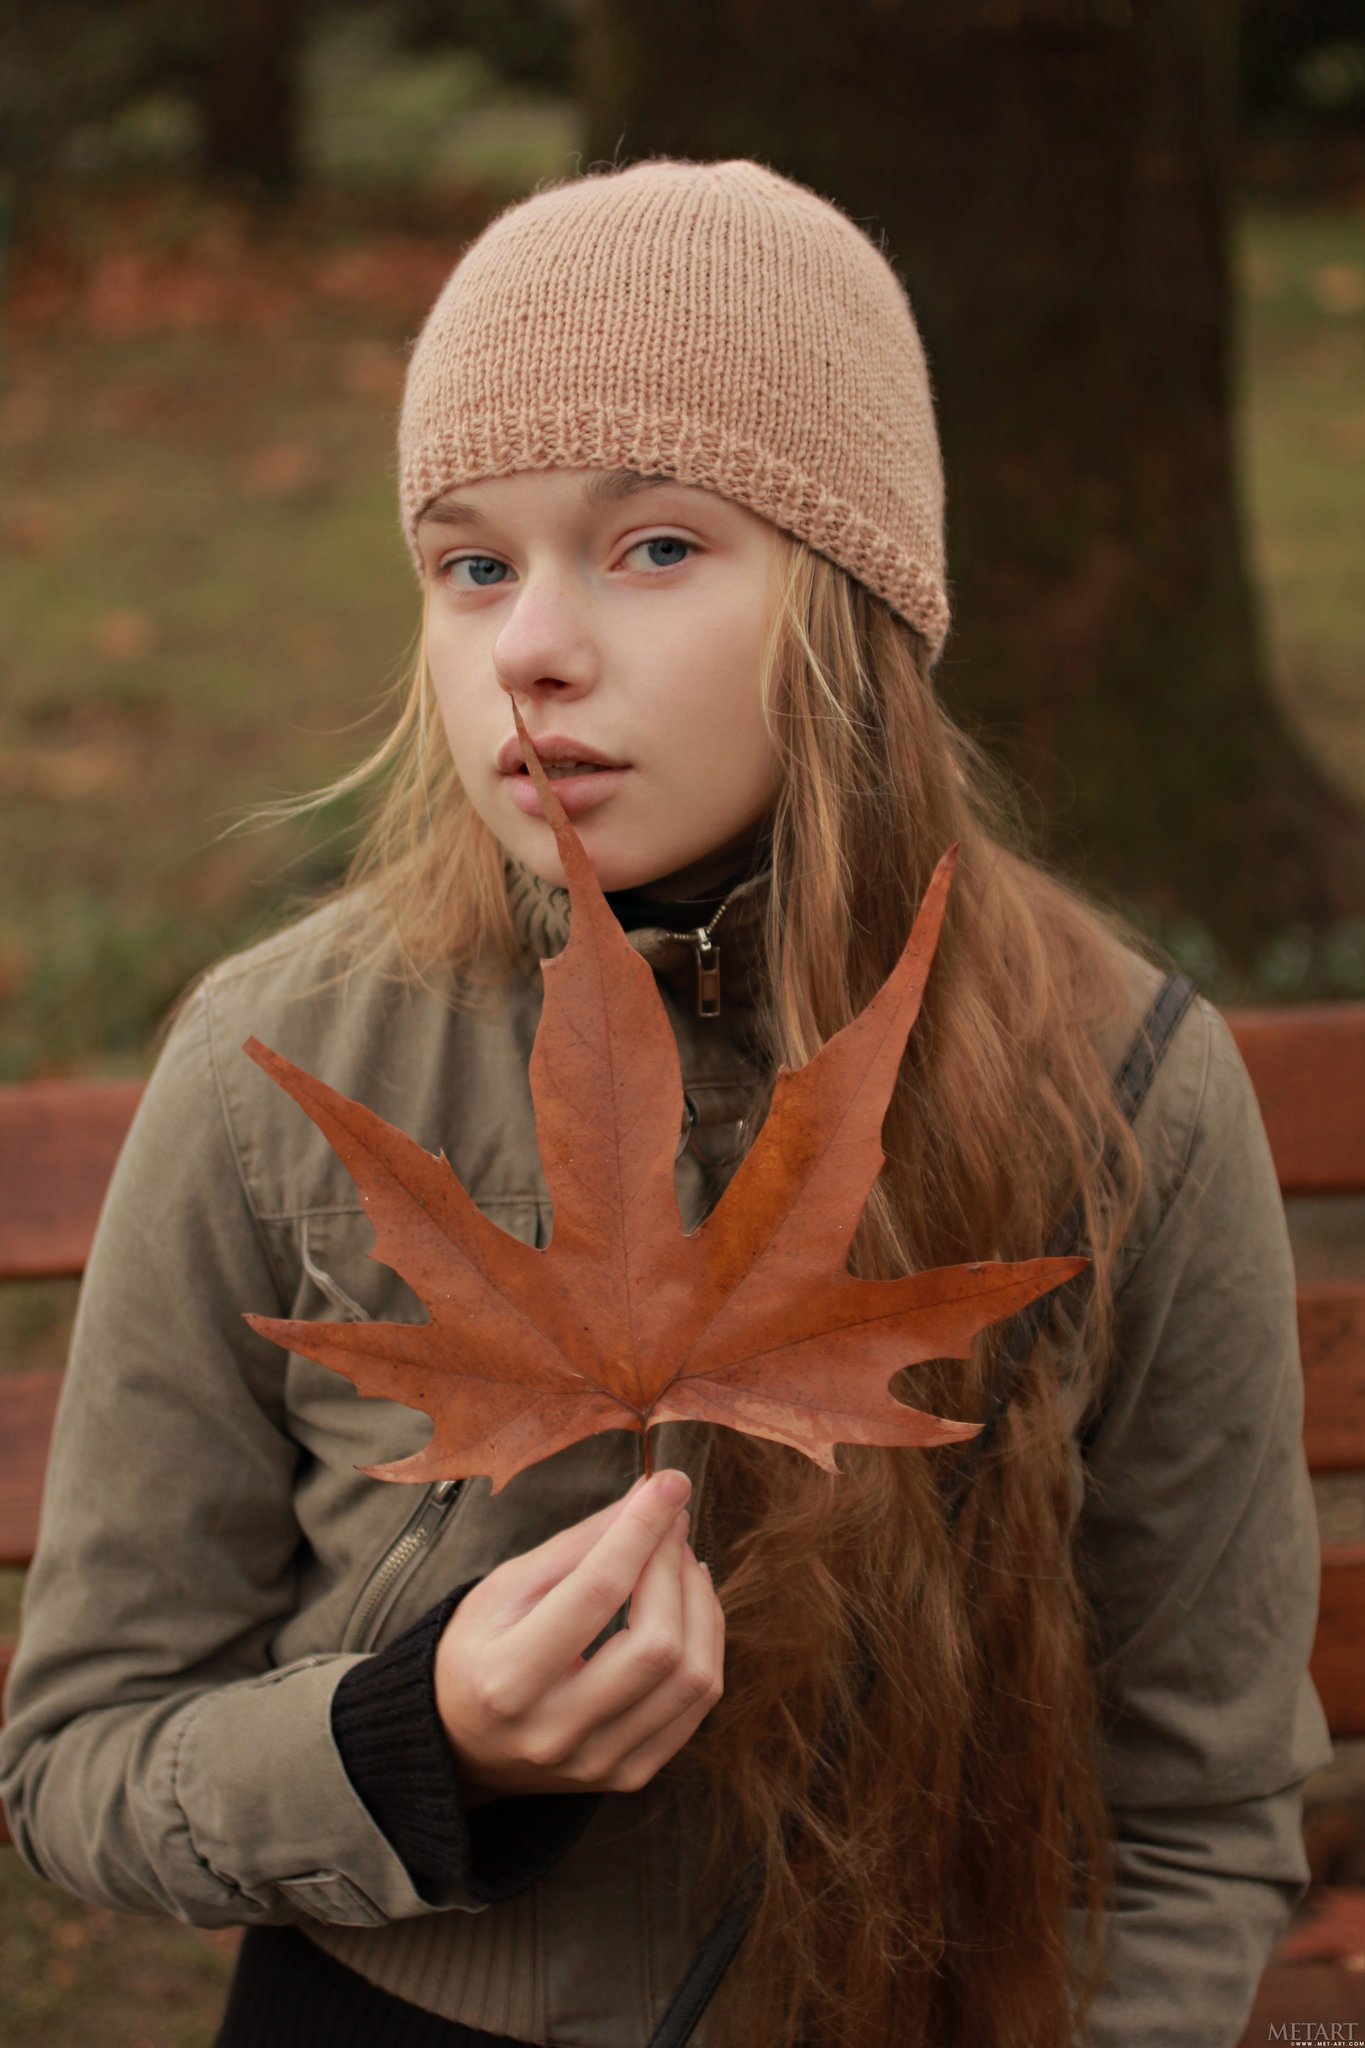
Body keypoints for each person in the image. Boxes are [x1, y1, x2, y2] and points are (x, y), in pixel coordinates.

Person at [0, 158, 1331, 2048]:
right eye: (472, 563)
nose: (529, 645)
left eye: (653, 548)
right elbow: (77, 1762)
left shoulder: (1118, 1091)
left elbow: (1194, 1812)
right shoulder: (279, 1069)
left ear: (853, 601)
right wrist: (420, 1740)